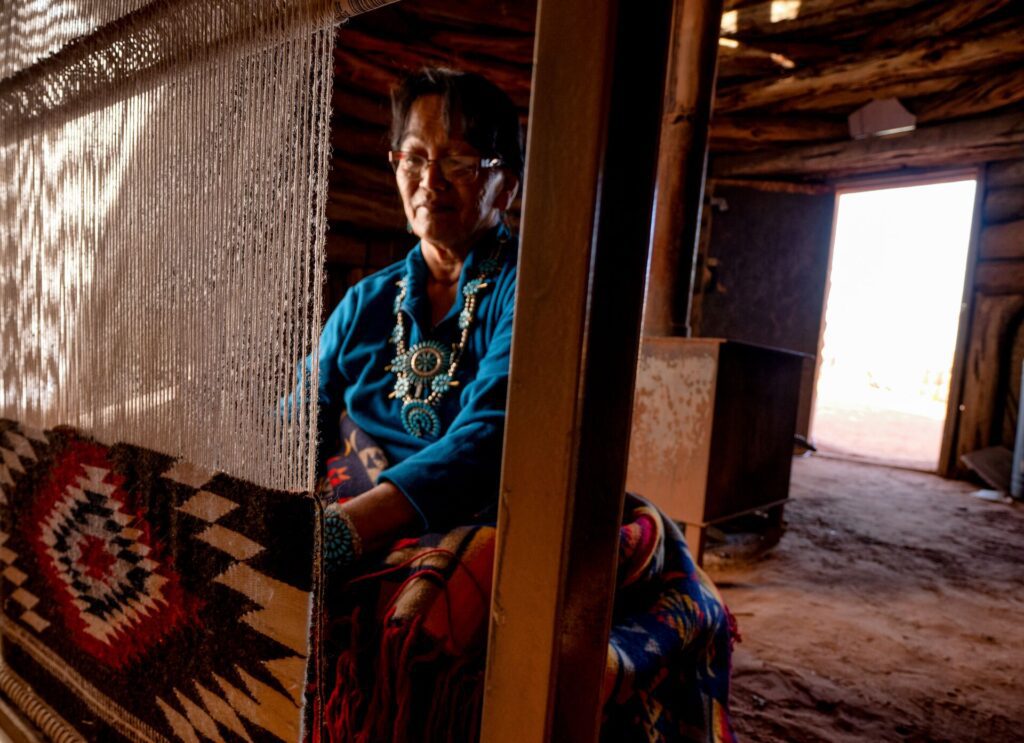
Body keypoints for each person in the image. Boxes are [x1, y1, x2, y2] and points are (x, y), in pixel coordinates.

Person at [314, 68, 522, 567]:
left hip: (458, 529)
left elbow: (491, 438)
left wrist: (342, 533)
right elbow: (301, 413)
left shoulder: (528, 293)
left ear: (506, 187)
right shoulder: (366, 301)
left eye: (458, 163)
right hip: (346, 508)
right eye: (413, 158)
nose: (430, 181)